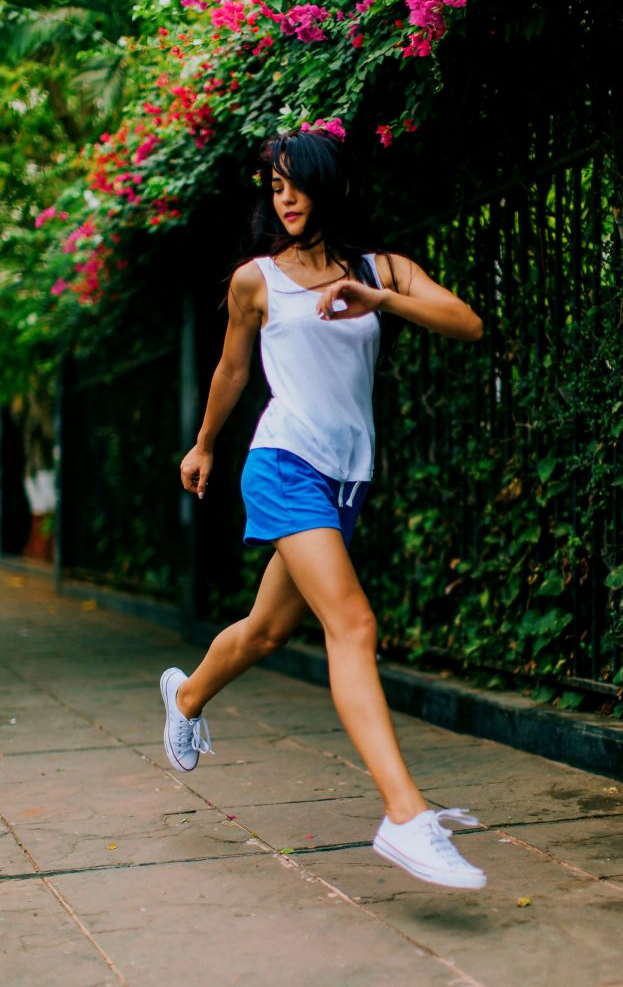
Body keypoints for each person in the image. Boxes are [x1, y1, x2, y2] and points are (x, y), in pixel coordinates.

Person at [161, 128, 486, 890]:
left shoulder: (383, 268)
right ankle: (405, 816)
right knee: (354, 625)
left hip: (348, 478)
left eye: (297, 183)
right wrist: (205, 443)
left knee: (271, 630)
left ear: (326, 184)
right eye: (274, 186)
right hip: (283, 463)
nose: (286, 198)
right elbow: (234, 367)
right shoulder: (257, 280)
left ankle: (187, 694)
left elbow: (468, 323)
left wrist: (381, 298)